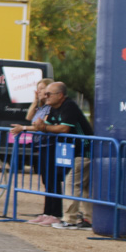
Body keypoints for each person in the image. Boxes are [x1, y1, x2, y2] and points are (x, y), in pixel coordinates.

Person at [34, 82, 94, 230]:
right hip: (72, 151)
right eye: (45, 94)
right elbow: (43, 126)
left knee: (71, 182)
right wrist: (25, 127)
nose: (45, 97)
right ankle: (89, 219)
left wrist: (44, 127)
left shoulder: (69, 106)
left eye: (49, 94)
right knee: (84, 186)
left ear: (60, 95)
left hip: (84, 150)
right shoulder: (53, 108)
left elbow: (64, 128)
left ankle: (70, 219)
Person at [11, 78, 61, 226]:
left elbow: (39, 126)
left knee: (52, 180)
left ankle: (55, 213)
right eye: (37, 89)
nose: (38, 92)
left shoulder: (51, 108)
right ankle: (47, 212)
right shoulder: (42, 107)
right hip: (41, 145)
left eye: (41, 90)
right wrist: (35, 100)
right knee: (46, 180)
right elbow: (29, 118)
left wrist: (24, 128)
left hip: (50, 145)